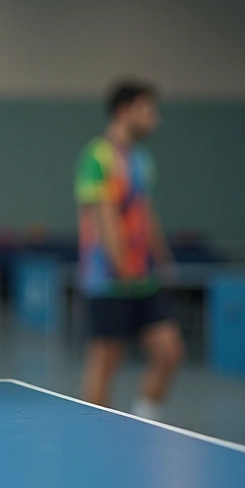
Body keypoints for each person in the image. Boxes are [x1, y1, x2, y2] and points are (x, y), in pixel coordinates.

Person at [74, 80, 185, 421]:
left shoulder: (141, 159)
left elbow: (145, 213)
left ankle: (145, 420)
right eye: (148, 110)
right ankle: (99, 436)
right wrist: (123, 269)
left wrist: (163, 261)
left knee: (169, 352)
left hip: (143, 279)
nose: (155, 119)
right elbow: (105, 217)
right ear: (126, 111)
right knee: (105, 365)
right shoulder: (98, 156)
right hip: (107, 281)